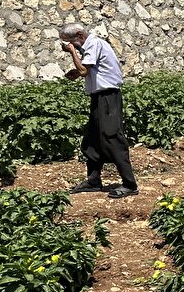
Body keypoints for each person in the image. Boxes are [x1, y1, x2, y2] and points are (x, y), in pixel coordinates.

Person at [59, 23, 138, 198]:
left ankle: (129, 184)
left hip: (108, 97)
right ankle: (94, 181)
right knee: (92, 139)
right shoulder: (90, 46)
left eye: (70, 43)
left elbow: (85, 70)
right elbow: (90, 69)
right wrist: (77, 71)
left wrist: (73, 53)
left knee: (112, 137)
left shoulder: (94, 43)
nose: (69, 47)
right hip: (99, 97)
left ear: (79, 36)